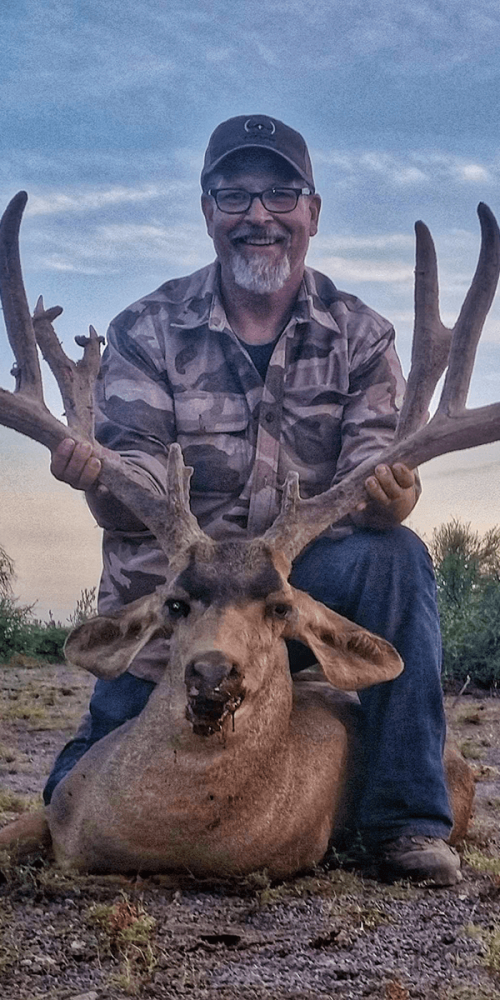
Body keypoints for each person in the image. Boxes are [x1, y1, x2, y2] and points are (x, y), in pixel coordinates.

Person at [46, 115, 460, 884]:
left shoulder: (360, 335)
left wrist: (389, 498)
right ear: (209, 211)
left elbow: (372, 476)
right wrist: (95, 479)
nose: (258, 215)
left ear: (312, 212)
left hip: (287, 600)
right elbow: (131, 486)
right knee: (73, 801)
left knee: (395, 555)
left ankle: (405, 818)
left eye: (280, 195)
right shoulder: (146, 330)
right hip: (178, 609)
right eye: (234, 196)